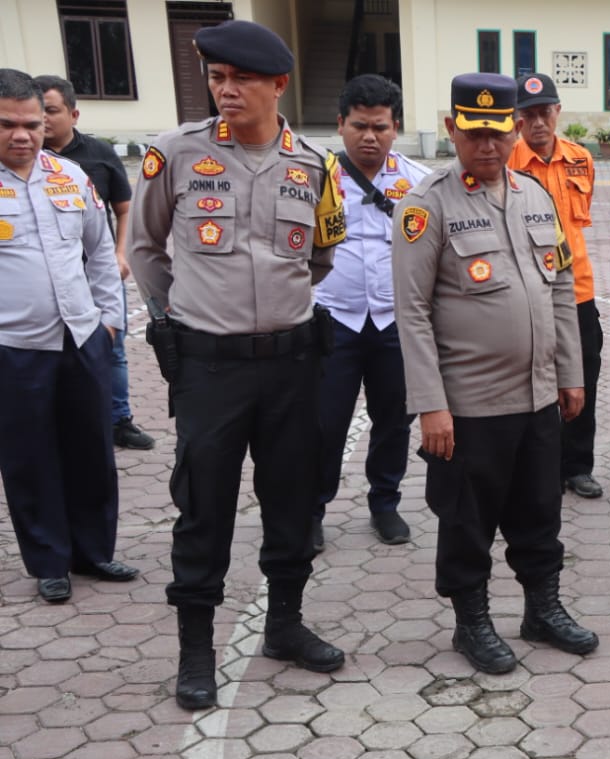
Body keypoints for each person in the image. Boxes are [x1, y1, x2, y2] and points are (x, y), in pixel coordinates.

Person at [128, 20, 348, 710]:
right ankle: (197, 647)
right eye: (217, 78)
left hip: (289, 364)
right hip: (210, 368)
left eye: (240, 79)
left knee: (291, 501)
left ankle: (285, 624)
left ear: (277, 85)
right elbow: (144, 248)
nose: (225, 91)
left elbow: (318, 257)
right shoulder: (177, 154)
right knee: (203, 508)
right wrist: (182, 313)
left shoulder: (314, 165)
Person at [392, 73, 594, 675]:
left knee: (539, 512)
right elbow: (412, 311)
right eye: (474, 133)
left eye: (497, 133)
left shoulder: (536, 195)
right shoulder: (426, 207)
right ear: (453, 130)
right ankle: (471, 622)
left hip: (536, 397)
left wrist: (570, 372)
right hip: (469, 407)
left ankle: (542, 608)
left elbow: (559, 288)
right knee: (467, 520)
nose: (488, 146)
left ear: (513, 132)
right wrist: (430, 404)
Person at [0, 69, 134, 604]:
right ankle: (50, 561)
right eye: (7, 124)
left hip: (82, 339)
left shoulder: (70, 177)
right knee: (30, 458)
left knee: (91, 450)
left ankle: (94, 552)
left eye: (31, 123)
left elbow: (102, 252)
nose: (21, 135)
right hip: (14, 348)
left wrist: (109, 321)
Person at [313, 73, 424, 551]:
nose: (370, 136)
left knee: (394, 418)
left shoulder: (418, 182)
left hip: (393, 322)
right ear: (340, 125)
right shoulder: (315, 175)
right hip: (331, 320)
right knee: (323, 422)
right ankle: (311, 509)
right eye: (359, 125)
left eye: (380, 126)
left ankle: (385, 503)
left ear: (395, 127)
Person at [35, 73, 153, 451]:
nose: (43, 121)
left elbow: (124, 208)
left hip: (97, 275)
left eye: (50, 111)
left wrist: (120, 254)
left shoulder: (98, 155)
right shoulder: (21, 161)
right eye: (38, 113)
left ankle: (119, 421)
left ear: (74, 113)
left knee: (111, 351)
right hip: (44, 285)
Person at [509, 72, 605, 500]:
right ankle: (537, 466)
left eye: (544, 112)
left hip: (578, 291)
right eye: (528, 115)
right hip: (527, 294)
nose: (538, 123)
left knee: (583, 377)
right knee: (530, 382)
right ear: (516, 119)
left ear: (558, 112)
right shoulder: (506, 162)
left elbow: (579, 221)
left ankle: (577, 465)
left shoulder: (581, 159)